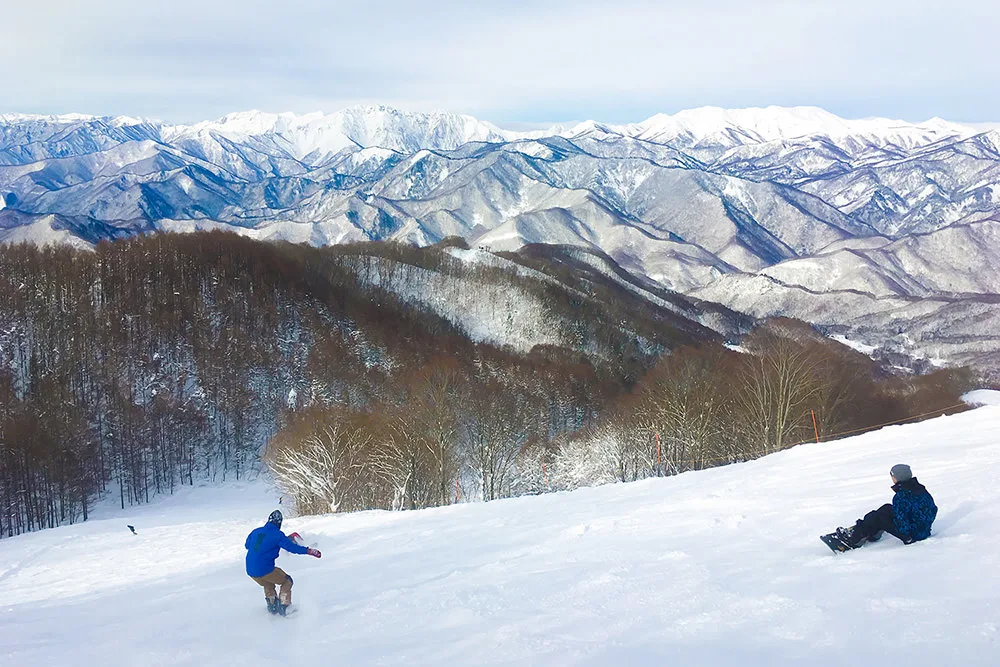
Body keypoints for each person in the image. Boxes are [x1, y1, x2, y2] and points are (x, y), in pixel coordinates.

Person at [838, 464, 937, 549]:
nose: (892, 479)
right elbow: (933, 509)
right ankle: (873, 533)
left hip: (912, 536)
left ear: (898, 478)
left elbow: (902, 522)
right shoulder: (920, 489)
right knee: (886, 508)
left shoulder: (901, 496)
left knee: (878, 516)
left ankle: (853, 540)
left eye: (892, 477)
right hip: (923, 531)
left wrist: (905, 534)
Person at [245, 510, 321, 615]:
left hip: (250, 570)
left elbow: (247, 545)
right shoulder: (277, 535)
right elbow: (292, 548)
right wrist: (308, 551)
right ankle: (285, 606)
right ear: (279, 523)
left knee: (268, 582)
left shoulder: (255, 531)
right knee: (286, 581)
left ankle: (272, 605)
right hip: (265, 569)